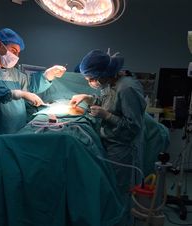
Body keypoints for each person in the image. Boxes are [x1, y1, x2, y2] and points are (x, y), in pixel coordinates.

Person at [69, 49, 147, 225]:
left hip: (124, 149)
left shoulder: (127, 88)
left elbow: (132, 127)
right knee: (111, 189)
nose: (90, 82)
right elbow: (109, 104)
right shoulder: (111, 83)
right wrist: (89, 99)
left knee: (119, 193)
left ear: (103, 74)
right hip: (112, 143)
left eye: (91, 79)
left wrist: (106, 116)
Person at [0, 28, 66, 147]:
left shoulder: (14, 73)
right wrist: (18, 94)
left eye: (18, 53)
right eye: (13, 51)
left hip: (19, 130)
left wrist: (48, 74)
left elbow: (31, 86)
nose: (16, 56)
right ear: (0, 45)